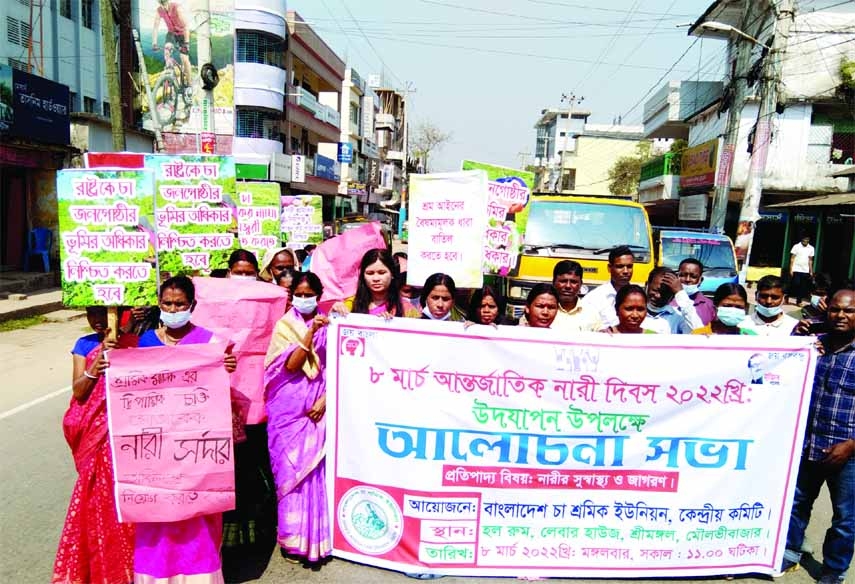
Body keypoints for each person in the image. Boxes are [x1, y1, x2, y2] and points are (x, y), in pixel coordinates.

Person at [135, 276, 237, 584]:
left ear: (192, 305)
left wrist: (224, 368)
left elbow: (216, 396)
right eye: (167, 303)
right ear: (159, 304)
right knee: (158, 514)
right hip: (156, 449)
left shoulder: (210, 343)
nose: (173, 308)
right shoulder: (146, 342)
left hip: (196, 449)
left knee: (196, 516)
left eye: (180, 304)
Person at [52, 307, 136, 584]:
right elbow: (78, 391)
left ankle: (130, 567)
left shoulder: (135, 343)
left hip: (126, 436)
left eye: (104, 313)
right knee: (95, 501)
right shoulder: (84, 345)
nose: (98, 319)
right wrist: (93, 368)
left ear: (120, 313)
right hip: (95, 438)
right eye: (92, 313)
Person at [782, 288, 855, 584]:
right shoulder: (813, 345)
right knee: (797, 504)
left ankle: (834, 570)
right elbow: (781, 369)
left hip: (847, 452)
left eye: (848, 311)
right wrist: (798, 336)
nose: (840, 316)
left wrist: (851, 445)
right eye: (835, 309)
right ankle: (788, 554)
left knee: (846, 518)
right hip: (807, 443)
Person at [264, 272, 332, 563]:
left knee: (316, 475)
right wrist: (309, 333)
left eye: (310, 294)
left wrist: (326, 400)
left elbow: (343, 365)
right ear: (292, 296)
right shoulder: (284, 325)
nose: (305, 299)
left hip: (319, 409)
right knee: (290, 474)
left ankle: (318, 540)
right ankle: (293, 541)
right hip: (287, 415)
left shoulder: (333, 324)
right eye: (299, 294)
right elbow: (291, 366)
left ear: (319, 294)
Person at [221, 250, 278, 568]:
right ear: (229, 272)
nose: (243, 277)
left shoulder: (269, 302)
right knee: (230, 470)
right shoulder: (211, 304)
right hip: (223, 401)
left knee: (256, 466)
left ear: (258, 272)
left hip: (259, 399)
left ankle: (259, 535)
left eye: (249, 272)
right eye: (238, 272)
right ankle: (230, 538)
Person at [331, 249, 420, 318]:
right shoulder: (350, 305)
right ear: (363, 276)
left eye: (381, 272)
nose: (376, 278)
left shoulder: (406, 309)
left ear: (392, 274)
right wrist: (334, 315)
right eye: (370, 273)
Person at [580, 246, 634, 328]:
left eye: (629, 266)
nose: (626, 271)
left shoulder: (639, 297)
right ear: (609, 268)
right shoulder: (594, 298)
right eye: (620, 266)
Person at [642, 267, 704, 334]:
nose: (658, 296)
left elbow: (699, 332)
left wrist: (680, 292)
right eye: (655, 290)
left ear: (672, 294)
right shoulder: (634, 312)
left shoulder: (678, 317)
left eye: (664, 293)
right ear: (647, 285)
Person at [152, 0, 192, 91]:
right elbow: (155, 27)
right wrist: (154, 43)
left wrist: (186, 43)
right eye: (161, 4)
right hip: (171, 34)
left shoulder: (176, 7)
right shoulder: (159, 10)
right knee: (167, 51)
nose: (163, 6)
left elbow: (186, 26)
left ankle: (189, 85)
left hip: (182, 34)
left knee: (184, 59)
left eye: (164, 3)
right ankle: (170, 76)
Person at [692, 283, 757, 335]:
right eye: (727, 306)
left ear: (745, 308)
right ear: (716, 306)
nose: (733, 310)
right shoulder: (699, 335)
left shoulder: (750, 337)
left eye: (739, 307)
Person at [676, 258, 716, 325]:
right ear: (677, 277)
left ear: (701, 280)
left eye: (693, 276)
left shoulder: (709, 306)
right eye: (683, 275)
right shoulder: (668, 302)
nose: (687, 280)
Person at [787, 235, 815, 306]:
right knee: (796, 284)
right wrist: (791, 269)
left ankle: (799, 301)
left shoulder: (811, 248)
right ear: (802, 239)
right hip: (796, 268)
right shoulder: (796, 246)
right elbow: (792, 258)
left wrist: (811, 271)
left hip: (805, 270)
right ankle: (787, 295)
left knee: (802, 286)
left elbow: (810, 260)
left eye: (807, 240)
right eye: (804, 239)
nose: (806, 241)